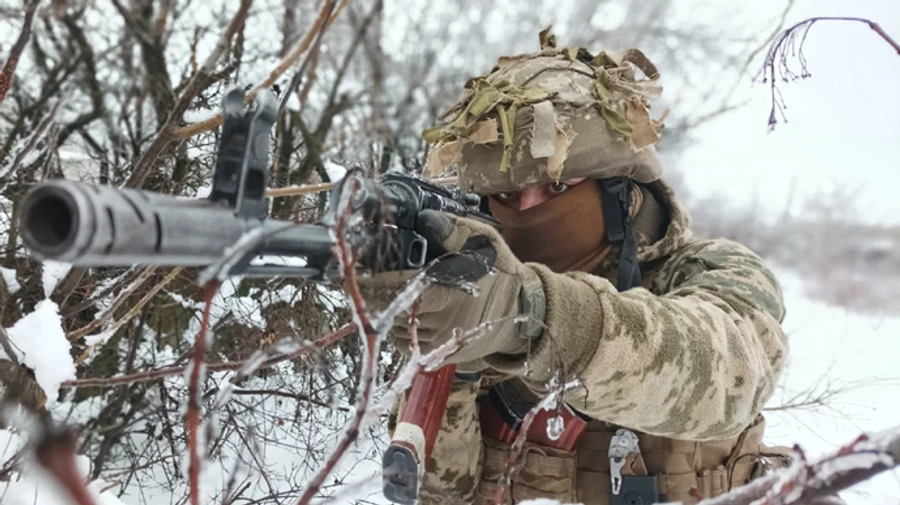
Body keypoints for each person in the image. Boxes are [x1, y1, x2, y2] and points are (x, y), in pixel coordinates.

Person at [362, 29, 792, 505]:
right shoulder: (479, 289)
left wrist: (530, 315)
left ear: (621, 191)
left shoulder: (708, 270)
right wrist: (456, 360)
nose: (527, 210)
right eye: (504, 196)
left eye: (558, 186)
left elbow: (728, 379)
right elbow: (444, 493)